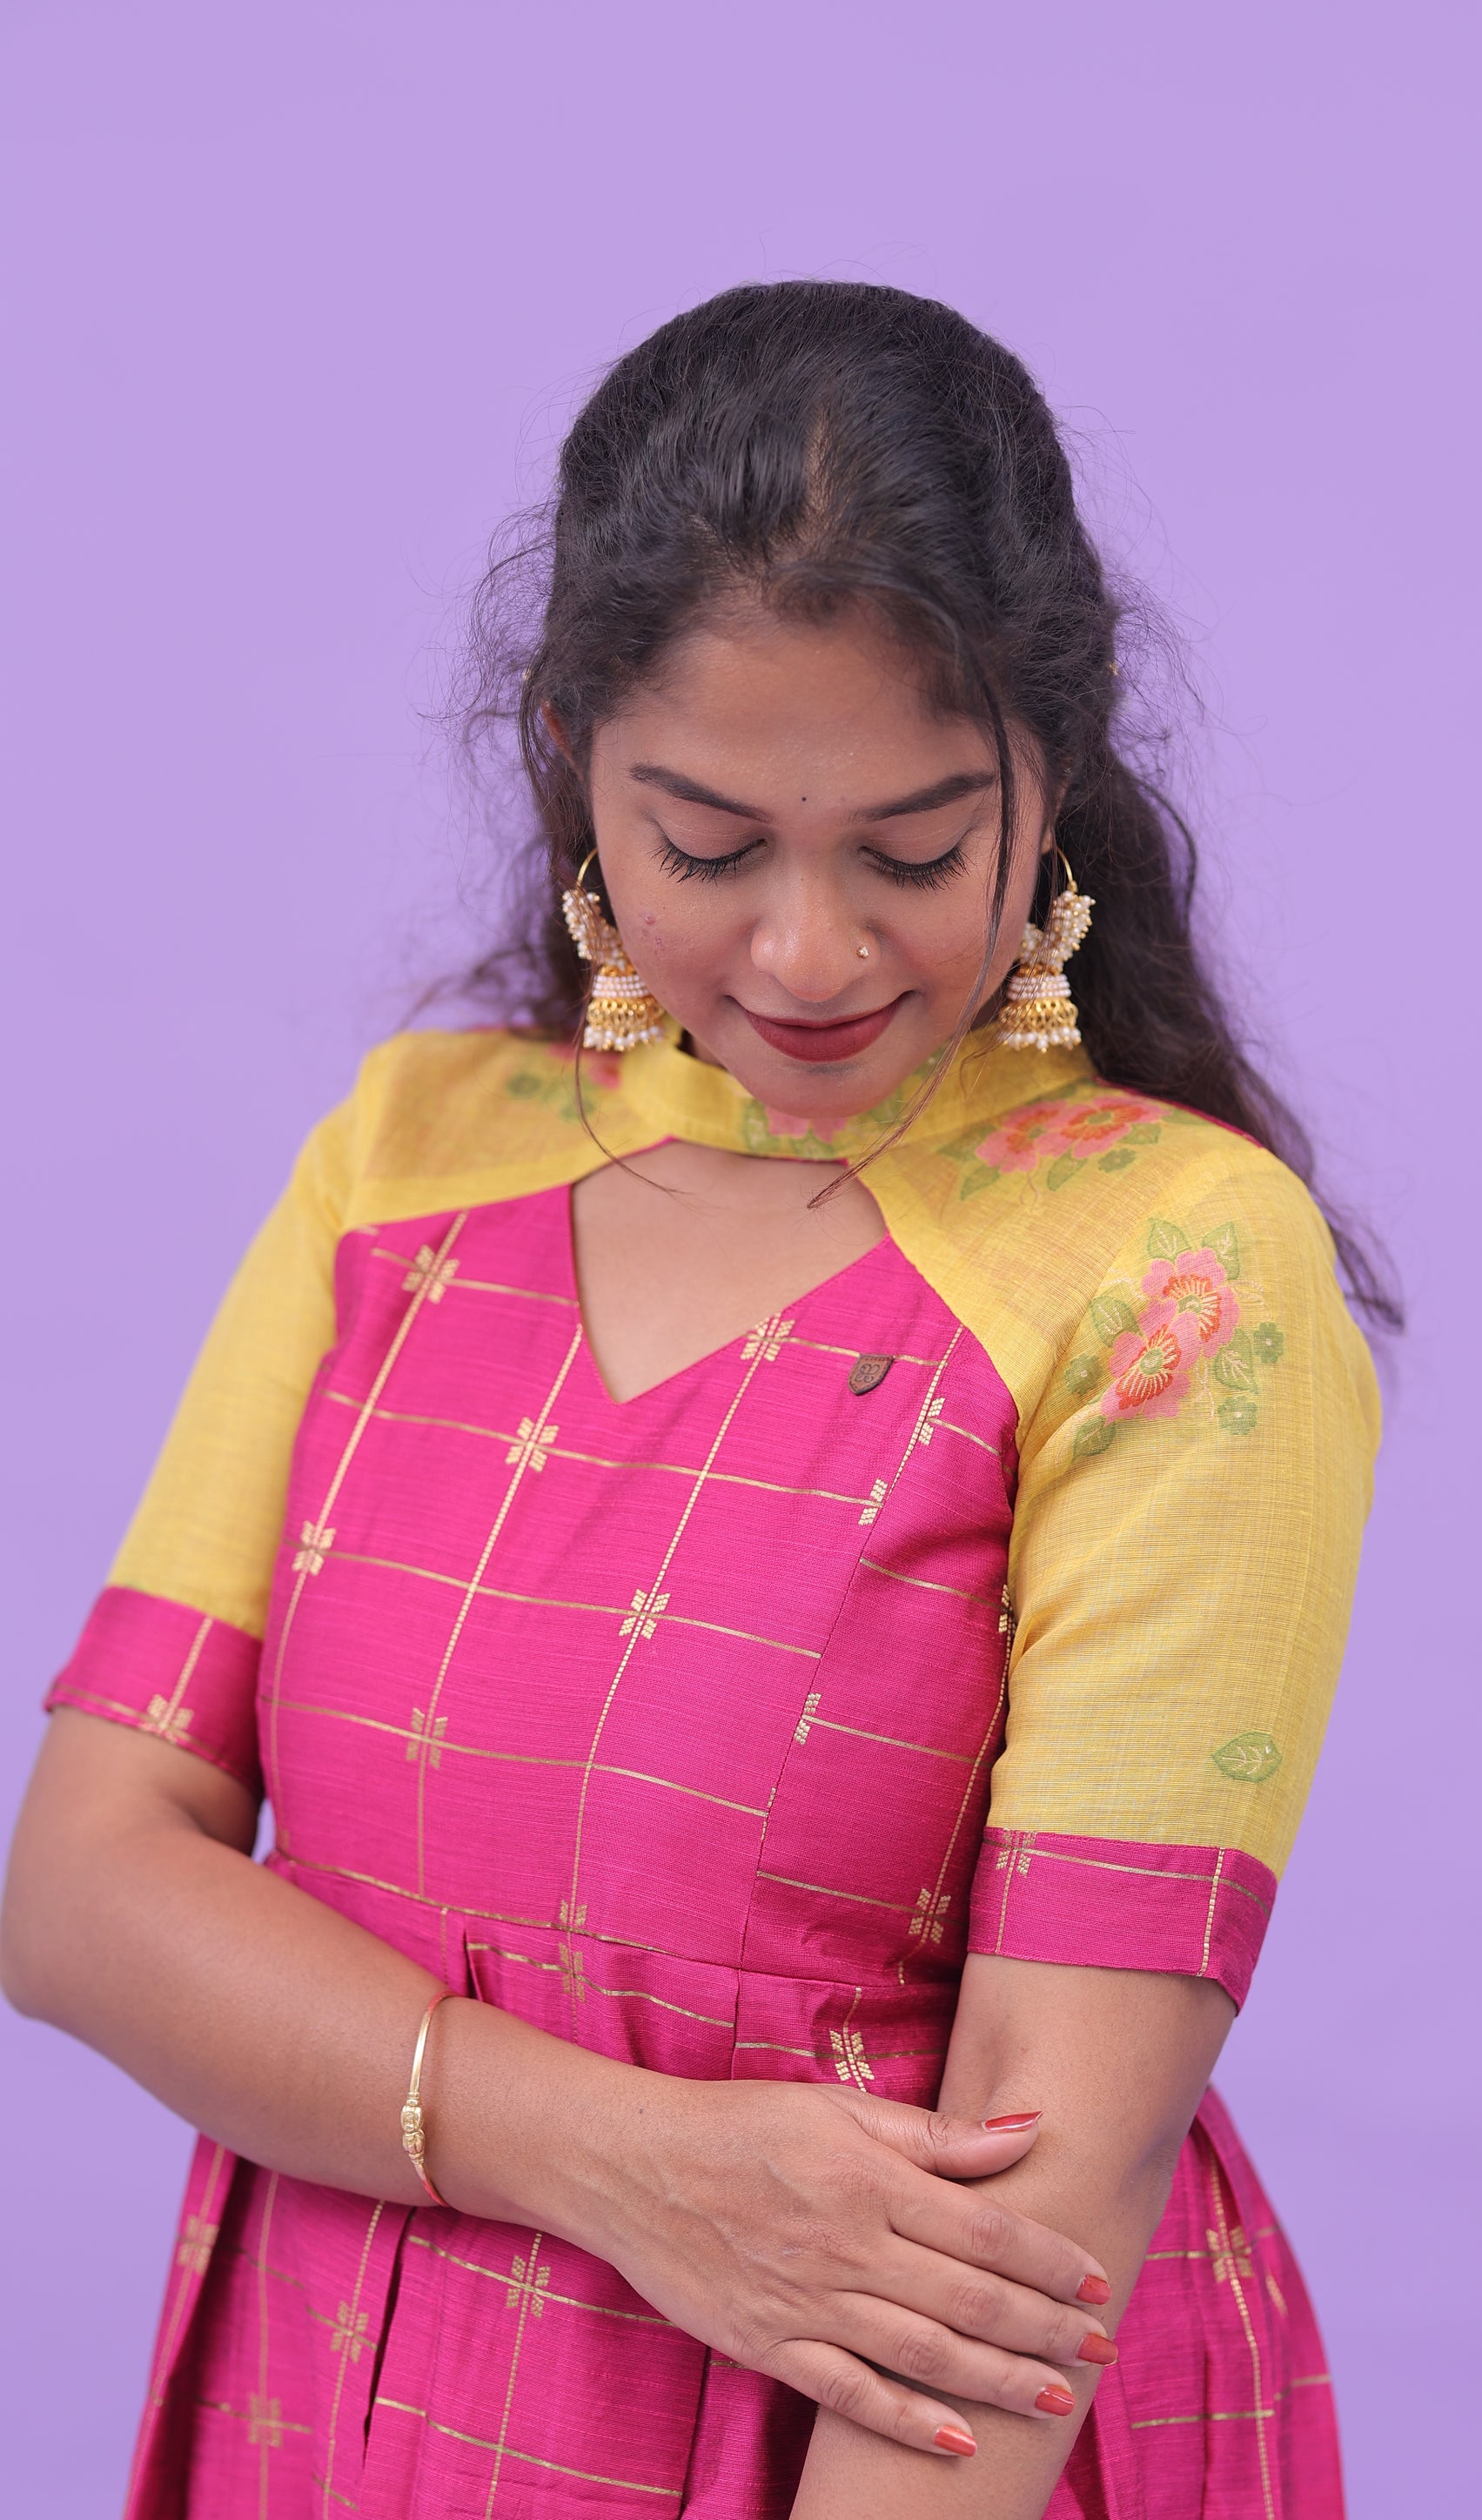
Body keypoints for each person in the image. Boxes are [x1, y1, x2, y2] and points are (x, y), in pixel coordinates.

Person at [1, 281, 1390, 2519]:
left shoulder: (1167, 1265)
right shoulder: (408, 1163)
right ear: (572, 757)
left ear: (1053, 770)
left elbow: (1030, 2218)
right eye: (712, 846)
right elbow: (79, 1889)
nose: (809, 953)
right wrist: (624, 2160)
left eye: (913, 849)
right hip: (338, 2403)